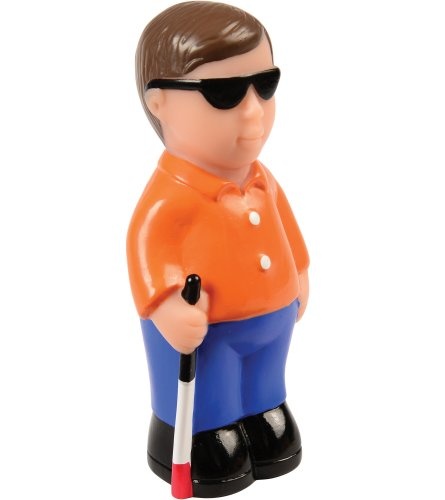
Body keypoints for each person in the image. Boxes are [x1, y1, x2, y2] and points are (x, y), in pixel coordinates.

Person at [127, 2, 310, 496]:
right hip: (210, 333)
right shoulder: (168, 198)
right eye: (224, 93)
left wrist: (300, 271)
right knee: (213, 389)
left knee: (265, 381)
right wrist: (167, 306)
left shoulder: (263, 180)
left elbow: (287, 229)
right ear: (160, 102)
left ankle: (264, 415)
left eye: (264, 86)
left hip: (273, 322)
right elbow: (147, 250)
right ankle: (208, 435)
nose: (253, 112)